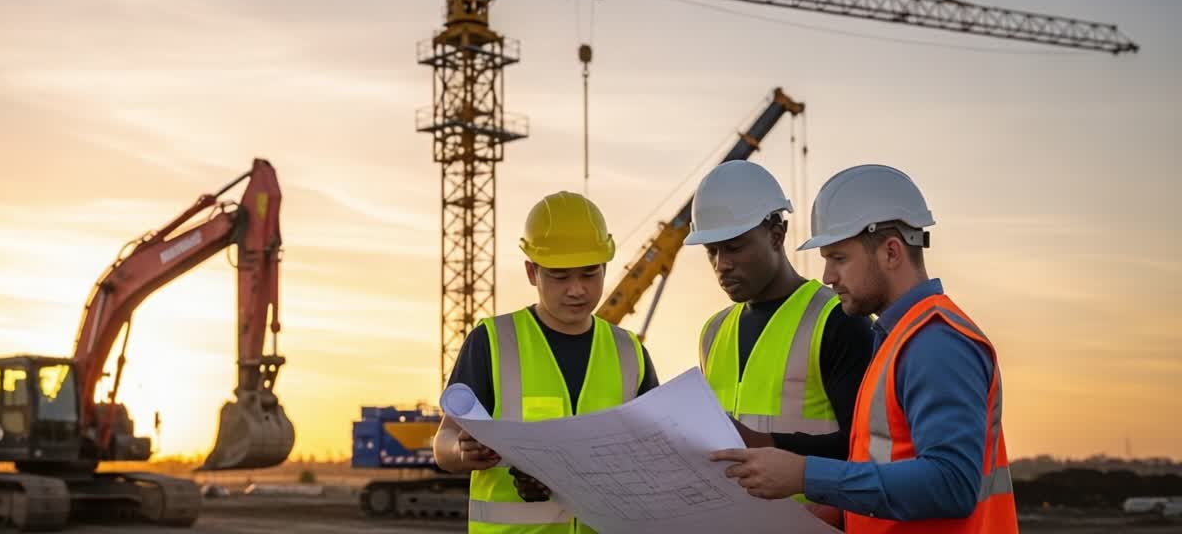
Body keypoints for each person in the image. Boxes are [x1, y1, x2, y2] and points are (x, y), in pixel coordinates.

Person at [711, 165, 1018, 533]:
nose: (828, 276)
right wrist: (836, 514)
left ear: (891, 252)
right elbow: (889, 467)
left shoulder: (936, 343)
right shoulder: (898, 339)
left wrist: (805, 475)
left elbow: (952, 483)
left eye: (839, 258)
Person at [433, 191, 660, 533]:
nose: (577, 290)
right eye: (560, 276)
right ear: (532, 271)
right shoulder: (493, 342)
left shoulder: (630, 351)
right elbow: (444, 442)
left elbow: (654, 451)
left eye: (589, 274)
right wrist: (461, 452)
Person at [685, 162, 871, 479]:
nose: (722, 264)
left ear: (776, 235)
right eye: (711, 251)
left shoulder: (839, 320)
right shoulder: (713, 332)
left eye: (733, 247)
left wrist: (766, 444)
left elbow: (866, 450)